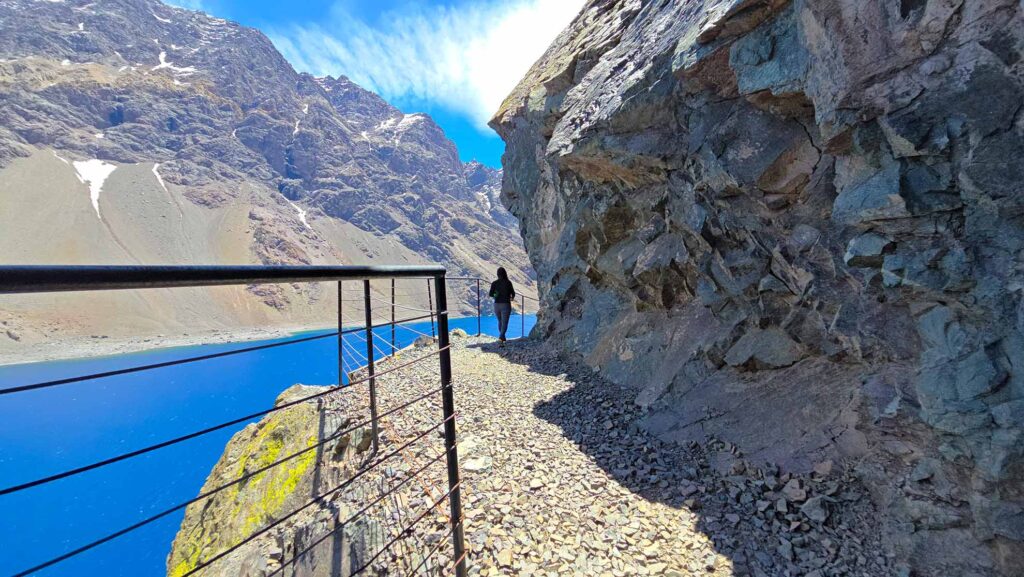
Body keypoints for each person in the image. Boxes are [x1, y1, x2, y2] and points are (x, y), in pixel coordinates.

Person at [489, 267, 516, 342]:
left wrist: (496, 294)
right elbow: (513, 293)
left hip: (496, 305)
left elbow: (491, 294)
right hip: (506, 304)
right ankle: (501, 337)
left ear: (497, 274)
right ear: (505, 273)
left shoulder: (494, 283)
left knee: (500, 321)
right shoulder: (508, 282)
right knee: (505, 322)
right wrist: (511, 297)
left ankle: (502, 338)